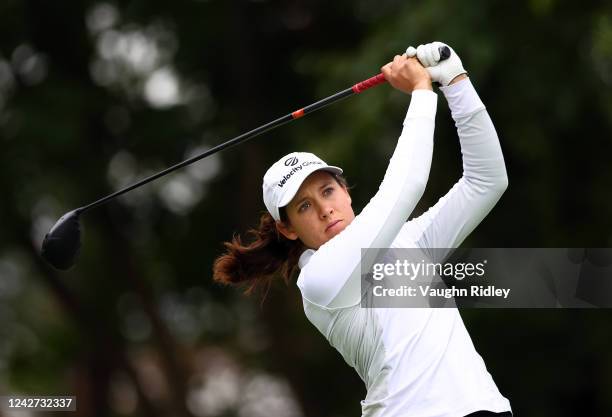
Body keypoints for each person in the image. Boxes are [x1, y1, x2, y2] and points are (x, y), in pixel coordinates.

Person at [213, 42, 512, 417]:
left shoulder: (412, 240)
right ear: (287, 230)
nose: (324, 209)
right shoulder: (320, 281)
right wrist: (421, 91)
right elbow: (404, 188)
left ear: (345, 192)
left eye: (327, 191)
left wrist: (455, 80)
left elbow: (486, 181)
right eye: (305, 206)